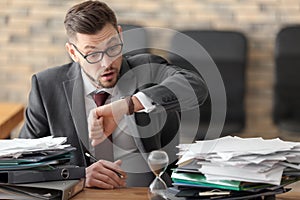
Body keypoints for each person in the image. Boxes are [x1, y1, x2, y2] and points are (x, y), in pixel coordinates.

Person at [19, 0, 208, 189]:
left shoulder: (148, 68)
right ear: (73, 53)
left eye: (112, 48)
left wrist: (130, 104)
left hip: (146, 193)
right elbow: (20, 164)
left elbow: (196, 86)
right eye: (92, 54)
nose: (106, 63)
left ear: (120, 35)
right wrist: (78, 176)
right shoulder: (46, 87)